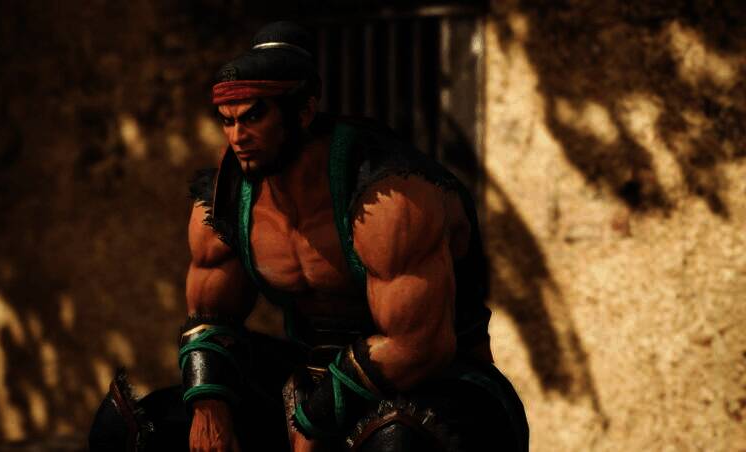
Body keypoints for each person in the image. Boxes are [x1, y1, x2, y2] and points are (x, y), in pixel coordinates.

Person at [90, 21, 528, 452]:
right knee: (132, 426)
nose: (239, 138)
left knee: (395, 441)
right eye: (227, 121)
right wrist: (210, 408)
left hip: (441, 383)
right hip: (307, 375)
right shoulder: (226, 199)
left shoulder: (390, 197)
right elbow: (211, 316)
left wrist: (314, 419)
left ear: (303, 112)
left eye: (254, 117)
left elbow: (419, 347)